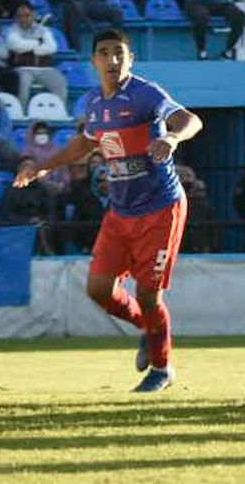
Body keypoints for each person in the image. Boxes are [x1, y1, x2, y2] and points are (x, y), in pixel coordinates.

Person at [13, 30, 202, 392]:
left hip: (160, 207)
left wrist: (171, 138)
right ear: (94, 61)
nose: (112, 60)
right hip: (121, 210)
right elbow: (85, 142)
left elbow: (190, 120)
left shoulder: (146, 94)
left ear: (130, 59)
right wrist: (42, 167)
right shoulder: (94, 103)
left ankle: (162, 370)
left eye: (119, 53)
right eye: (104, 53)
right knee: (99, 289)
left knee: (149, 294)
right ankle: (147, 328)